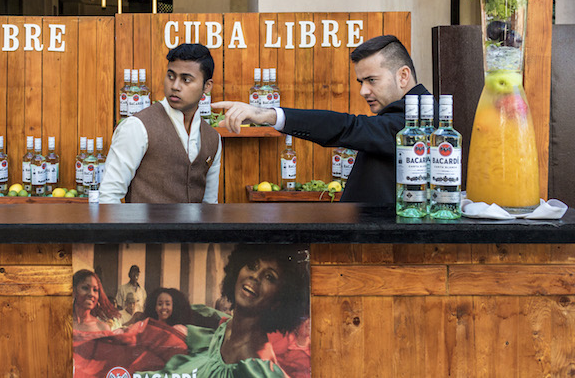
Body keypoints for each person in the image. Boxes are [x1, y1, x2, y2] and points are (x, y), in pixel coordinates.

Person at [213, 34, 431, 205]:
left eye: (371, 80)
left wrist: (267, 115)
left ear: (403, 76)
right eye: (360, 82)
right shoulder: (404, 112)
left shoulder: (422, 118)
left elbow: (349, 127)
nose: (364, 91)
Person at [143, 244, 310, 377]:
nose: (255, 276)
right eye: (252, 266)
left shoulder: (257, 366)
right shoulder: (224, 328)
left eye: (269, 277)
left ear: (279, 301)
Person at [99, 43, 222, 203]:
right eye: (171, 76)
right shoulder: (137, 127)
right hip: (143, 228)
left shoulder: (213, 138)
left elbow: (209, 205)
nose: (175, 86)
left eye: (186, 80)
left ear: (207, 86)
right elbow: (108, 197)